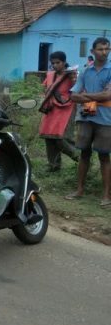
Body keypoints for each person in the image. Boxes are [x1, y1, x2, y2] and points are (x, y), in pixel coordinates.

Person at [65, 37, 111, 206]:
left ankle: (106, 195)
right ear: (92, 51)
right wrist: (97, 96)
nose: (104, 52)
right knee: (84, 153)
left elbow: (108, 95)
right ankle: (79, 189)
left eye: (107, 49)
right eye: (100, 49)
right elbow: (72, 96)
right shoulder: (85, 71)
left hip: (106, 119)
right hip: (86, 117)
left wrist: (85, 96)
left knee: (104, 156)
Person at [38, 51, 79, 172]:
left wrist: (74, 79)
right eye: (53, 63)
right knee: (49, 137)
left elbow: (78, 89)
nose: (55, 65)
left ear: (64, 62)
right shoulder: (50, 75)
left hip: (66, 108)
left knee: (61, 139)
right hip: (51, 109)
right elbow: (46, 88)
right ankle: (54, 166)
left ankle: (82, 159)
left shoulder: (72, 74)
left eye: (58, 62)